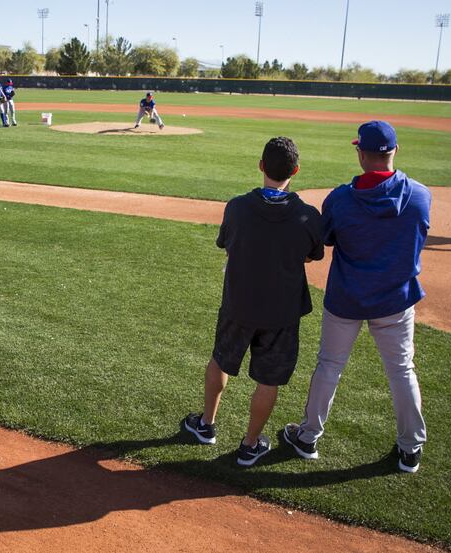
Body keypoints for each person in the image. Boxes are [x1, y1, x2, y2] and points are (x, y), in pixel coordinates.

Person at [283, 121, 430, 474]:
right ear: (394, 151)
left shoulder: (341, 199)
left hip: (347, 298)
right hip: (395, 300)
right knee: (401, 371)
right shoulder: (420, 196)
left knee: (329, 366)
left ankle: (307, 438)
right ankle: (410, 449)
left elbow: (326, 240)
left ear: (361, 154)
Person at [181, 137, 324, 467]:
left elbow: (227, 243)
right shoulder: (307, 215)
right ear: (296, 171)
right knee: (268, 379)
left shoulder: (238, 207)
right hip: (282, 312)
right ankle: (249, 444)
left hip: (239, 304)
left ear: (261, 166)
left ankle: (206, 425)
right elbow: (312, 254)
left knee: (220, 360)